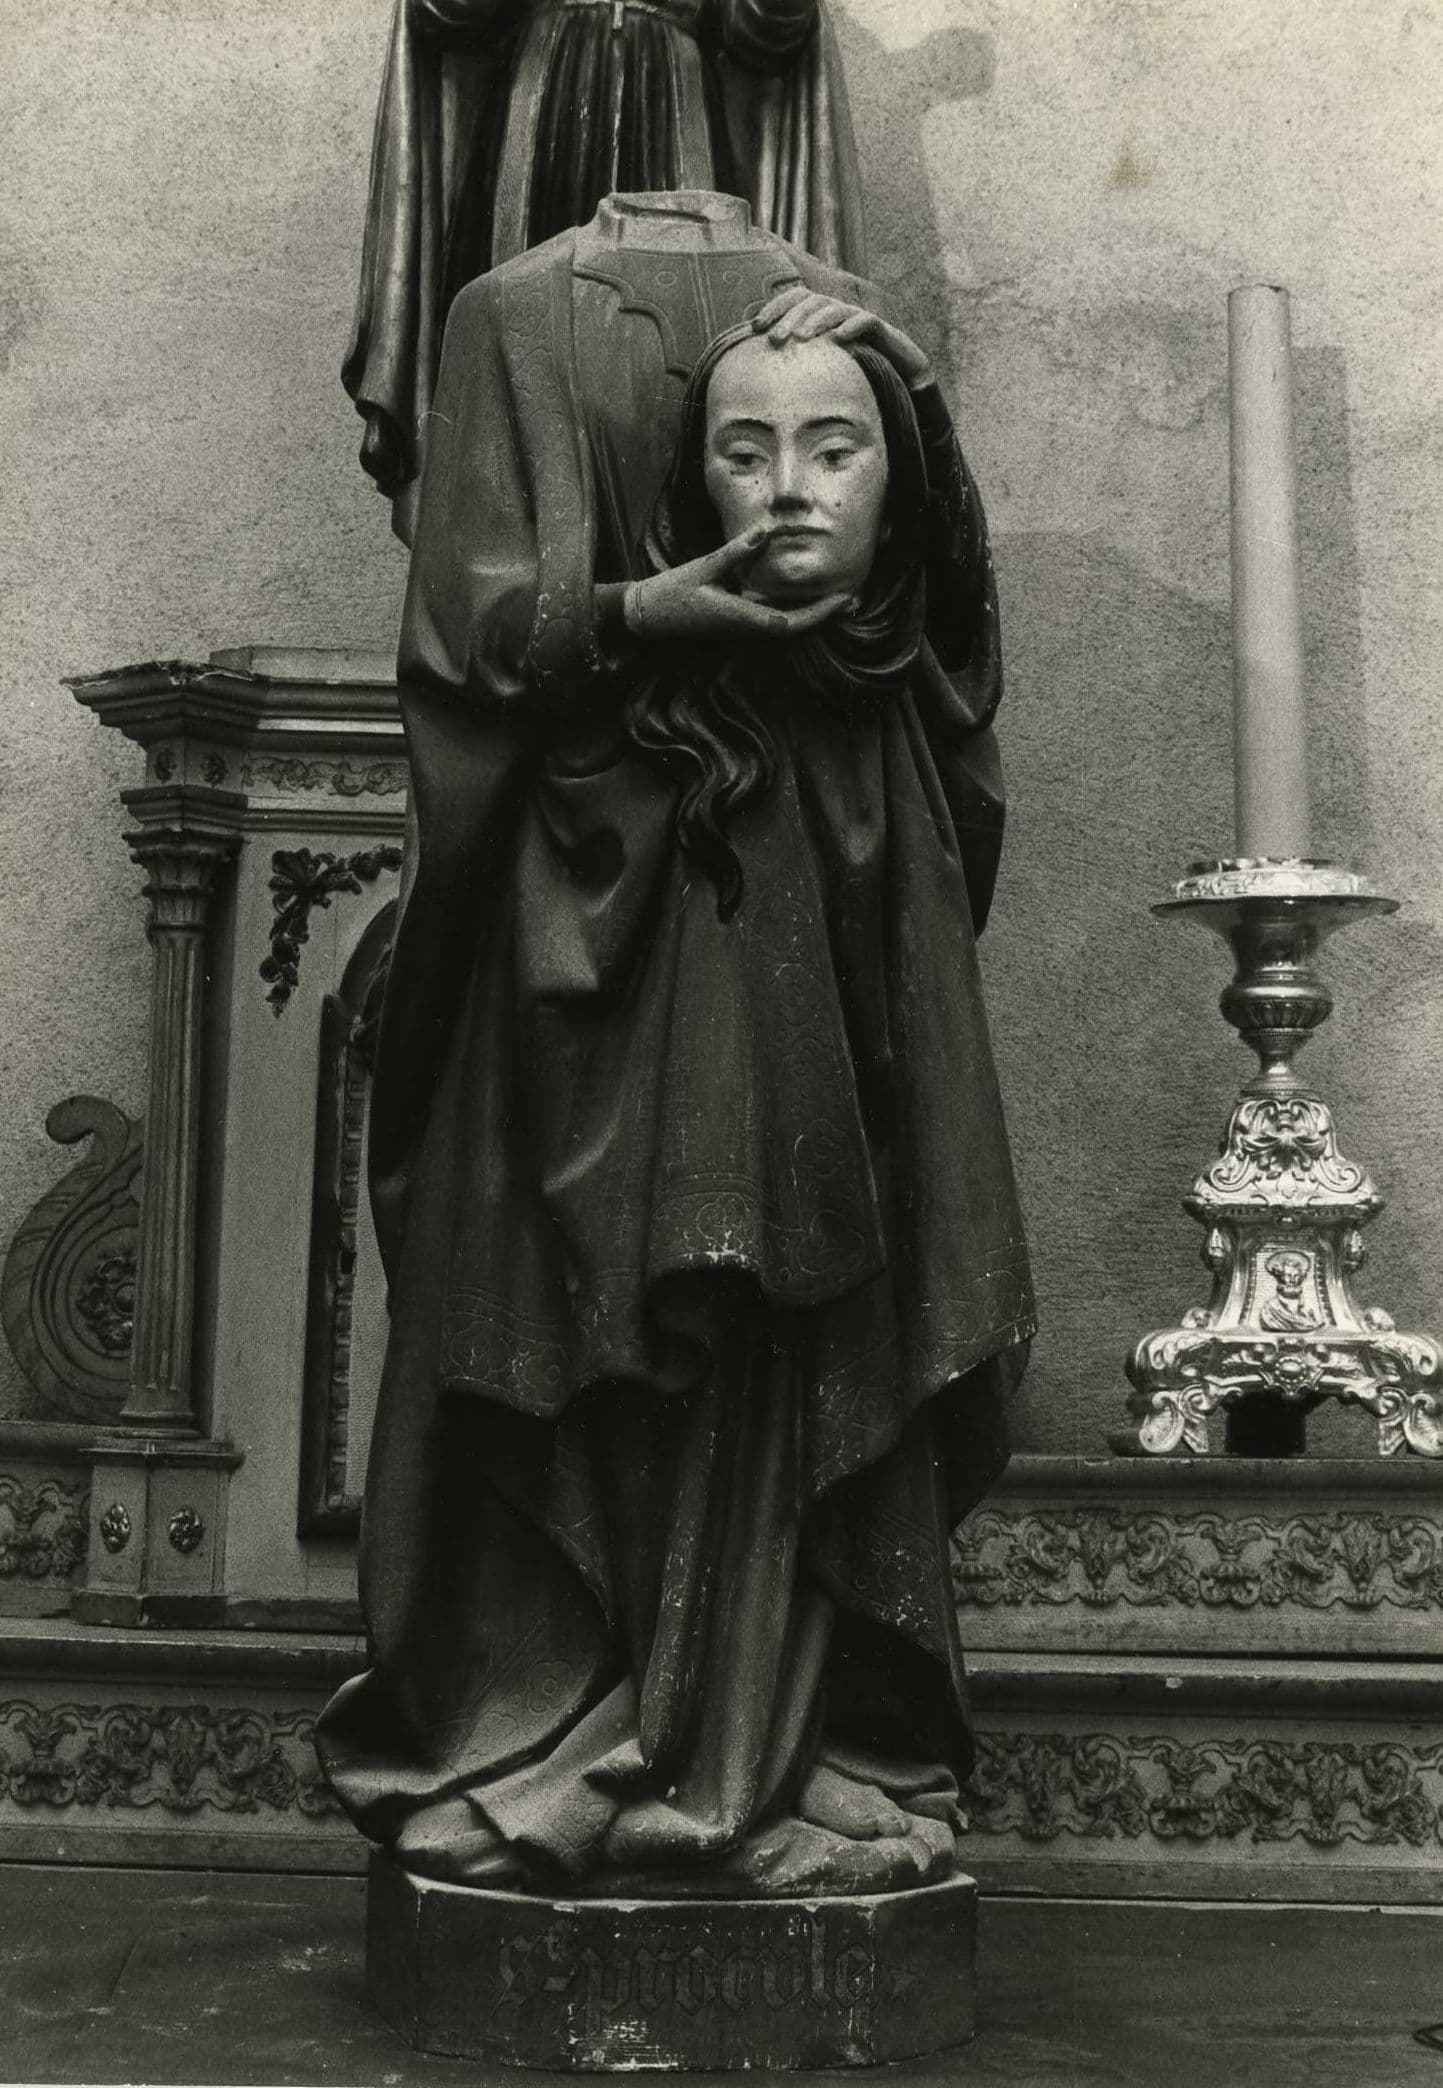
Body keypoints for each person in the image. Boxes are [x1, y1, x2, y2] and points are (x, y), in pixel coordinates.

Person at [317, 191, 1034, 1896]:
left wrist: (904, 441)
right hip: (601, 895)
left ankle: (766, 1738)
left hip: (801, 878)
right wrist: (645, 614)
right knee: (624, 1302)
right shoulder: (510, 314)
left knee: (794, 1299)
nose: (788, 484)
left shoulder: (813, 345)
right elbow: (477, 634)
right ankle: (637, 1735)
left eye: (834, 450)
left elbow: (927, 633)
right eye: (745, 451)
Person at [347, 0, 866, 538]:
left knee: (692, 354)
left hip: (677, 107)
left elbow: (763, 28)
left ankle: (681, 553)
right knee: (517, 342)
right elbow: (447, 12)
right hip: (540, 108)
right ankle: (515, 556)